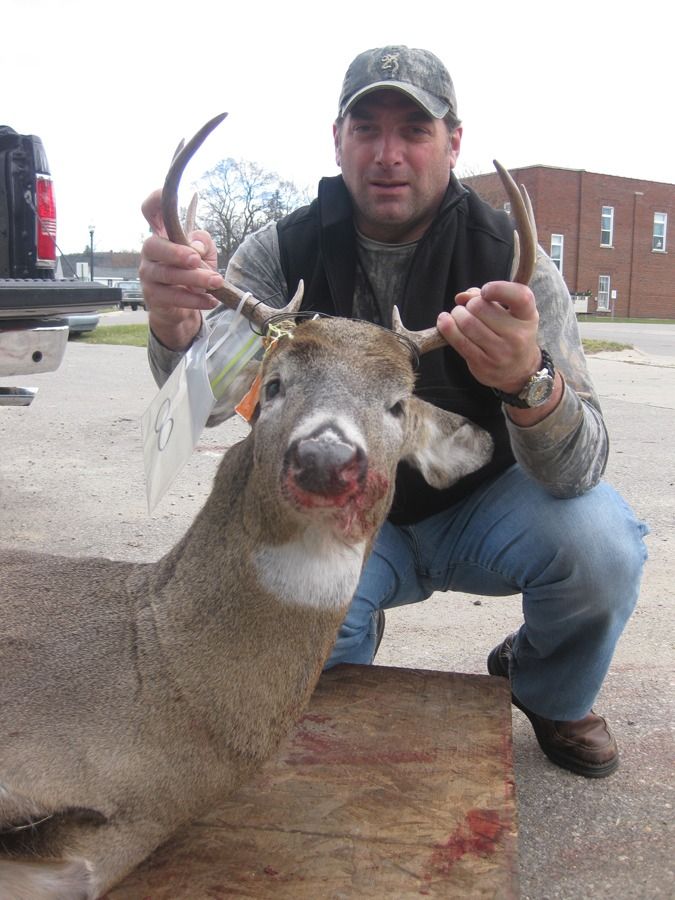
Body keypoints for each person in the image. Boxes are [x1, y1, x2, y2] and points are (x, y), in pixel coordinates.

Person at [139, 45, 648, 778]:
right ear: (336, 139)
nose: (387, 154)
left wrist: (527, 381)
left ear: (453, 142)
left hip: (481, 507)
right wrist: (175, 326)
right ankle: (346, 647)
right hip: (330, 514)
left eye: (414, 130)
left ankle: (547, 690)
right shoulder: (277, 255)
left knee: (601, 546)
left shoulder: (515, 263)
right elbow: (205, 405)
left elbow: (581, 468)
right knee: (305, 710)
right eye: (366, 128)